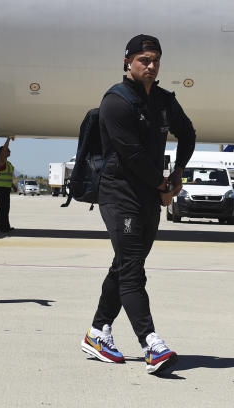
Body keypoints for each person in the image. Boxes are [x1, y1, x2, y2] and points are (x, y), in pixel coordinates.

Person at [81, 35, 196, 376]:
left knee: (125, 264)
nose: (151, 65)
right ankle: (151, 343)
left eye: (156, 60)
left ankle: (97, 332)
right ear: (128, 61)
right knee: (133, 269)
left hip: (149, 193)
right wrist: (164, 185)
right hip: (120, 193)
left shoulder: (163, 100)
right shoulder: (115, 102)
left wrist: (177, 173)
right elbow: (130, 154)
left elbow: (187, 133)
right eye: (144, 59)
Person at [0, 137, 14, 233]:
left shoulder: (7, 163)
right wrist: (8, 139)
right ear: (3, 153)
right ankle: (0, 227)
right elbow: (4, 150)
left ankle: (5, 226)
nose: (9, 151)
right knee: (3, 207)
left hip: (5, 187)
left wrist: (13, 185)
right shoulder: (1, 161)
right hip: (1, 187)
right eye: (7, 150)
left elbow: (7, 176)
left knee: (5, 207)